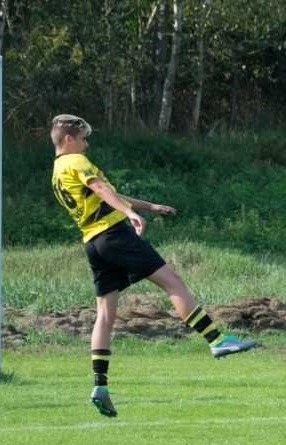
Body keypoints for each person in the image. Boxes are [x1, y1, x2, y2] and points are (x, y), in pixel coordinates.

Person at [50, 114, 258, 418]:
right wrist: (130, 214)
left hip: (93, 245)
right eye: (83, 139)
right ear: (69, 139)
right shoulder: (75, 161)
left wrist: (147, 206)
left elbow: (106, 192)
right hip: (114, 234)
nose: (86, 144)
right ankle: (216, 341)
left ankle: (100, 386)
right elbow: (100, 188)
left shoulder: (57, 171)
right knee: (173, 283)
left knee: (105, 316)